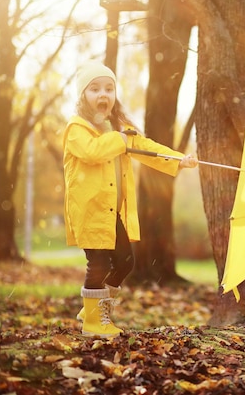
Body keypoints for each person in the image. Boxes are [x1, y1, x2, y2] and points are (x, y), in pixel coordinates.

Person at [63, 61, 199, 337]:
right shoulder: (77, 129)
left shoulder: (119, 129)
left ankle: (93, 309)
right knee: (99, 263)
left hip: (111, 211)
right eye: (95, 89)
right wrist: (119, 139)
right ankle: (93, 323)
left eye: (109, 89)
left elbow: (146, 147)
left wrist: (179, 160)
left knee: (126, 262)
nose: (103, 94)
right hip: (90, 210)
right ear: (82, 96)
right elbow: (93, 152)